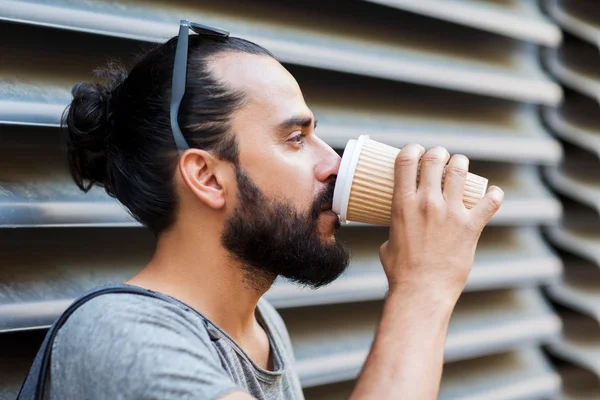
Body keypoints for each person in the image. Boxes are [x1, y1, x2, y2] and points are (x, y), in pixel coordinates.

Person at [47, 20, 503, 400]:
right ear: (206, 177)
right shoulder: (122, 335)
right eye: (295, 138)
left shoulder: (261, 329)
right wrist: (423, 288)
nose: (335, 164)